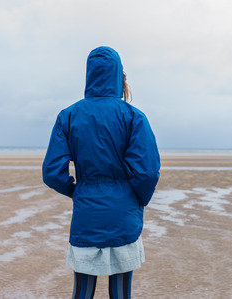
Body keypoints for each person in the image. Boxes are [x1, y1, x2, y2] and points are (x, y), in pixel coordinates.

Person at [42, 46, 160, 299]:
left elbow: (52, 173)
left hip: (87, 212)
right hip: (123, 212)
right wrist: (138, 200)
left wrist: (77, 191)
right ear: (118, 76)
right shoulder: (133, 116)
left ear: (90, 75)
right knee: (120, 293)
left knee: (82, 292)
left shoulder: (68, 116)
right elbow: (147, 172)